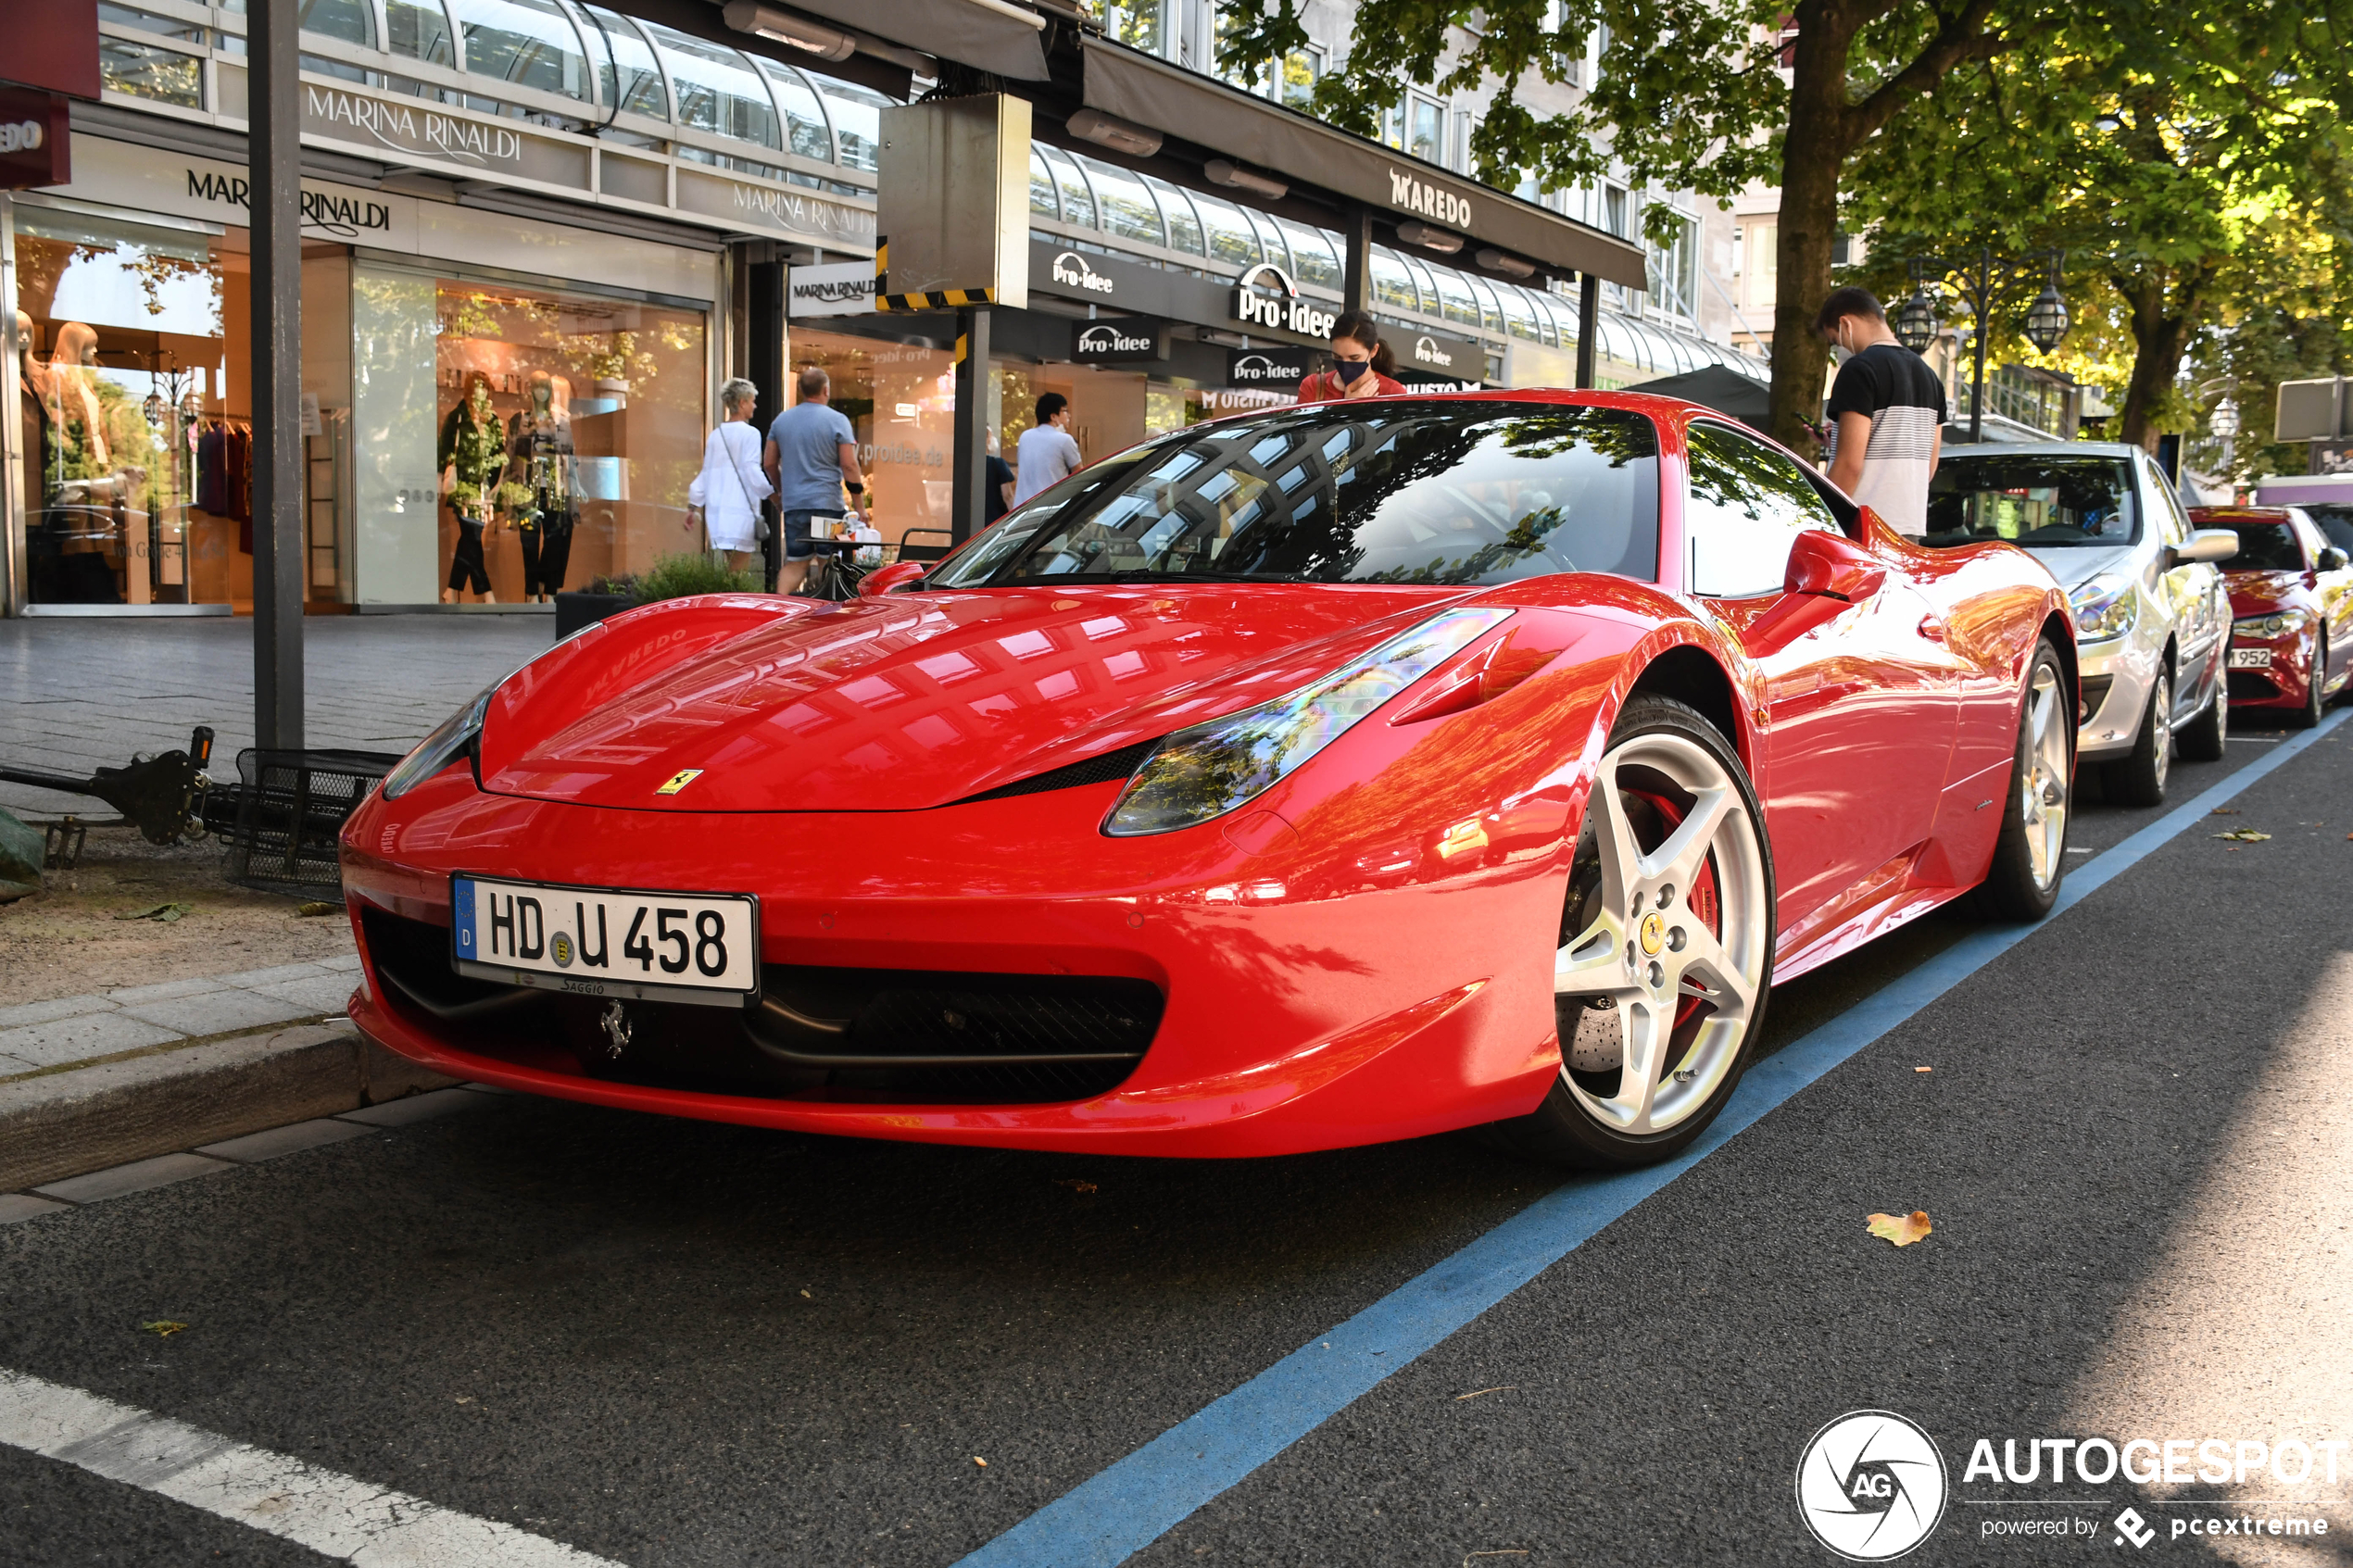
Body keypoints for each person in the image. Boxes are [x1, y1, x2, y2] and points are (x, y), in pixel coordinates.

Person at [1817, 286, 1946, 537]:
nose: (1839, 347)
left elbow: (1849, 465)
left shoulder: (1859, 370)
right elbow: (1928, 468)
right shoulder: (1931, 377)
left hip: (1863, 528)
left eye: (1835, 340)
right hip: (1909, 531)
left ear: (1846, 324)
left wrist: (1822, 521)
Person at [763, 366, 865, 595]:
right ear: (826, 389)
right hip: (827, 506)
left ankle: (780, 607)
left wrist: (782, 493)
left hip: (795, 506)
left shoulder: (781, 421)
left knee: (796, 562)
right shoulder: (837, 420)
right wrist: (860, 508)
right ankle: (827, 616)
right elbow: (849, 465)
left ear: (801, 390)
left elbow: (769, 463)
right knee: (827, 562)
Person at [688, 377, 772, 577]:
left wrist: (692, 506)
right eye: (751, 400)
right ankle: (732, 606)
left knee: (733, 568)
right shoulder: (751, 434)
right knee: (739, 571)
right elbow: (752, 471)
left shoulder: (716, 435)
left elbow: (706, 473)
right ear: (742, 403)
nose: (754, 405)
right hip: (740, 511)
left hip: (718, 513)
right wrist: (771, 493)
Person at [1298, 310, 1407, 401]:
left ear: (1373, 351)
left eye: (1354, 358)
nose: (1345, 364)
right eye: (1337, 357)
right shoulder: (1313, 387)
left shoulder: (1393, 393)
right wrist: (1347, 408)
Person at [1012, 394, 1083, 507]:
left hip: (1022, 509)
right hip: (1051, 509)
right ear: (1053, 416)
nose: (1069, 416)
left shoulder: (1025, 436)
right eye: (1065, 411)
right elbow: (1080, 476)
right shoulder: (1065, 440)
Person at [984, 428, 1016, 527]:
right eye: (990, 436)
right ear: (986, 439)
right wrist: (1015, 518)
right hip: (996, 522)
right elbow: (1007, 495)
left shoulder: (968, 465)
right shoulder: (997, 464)